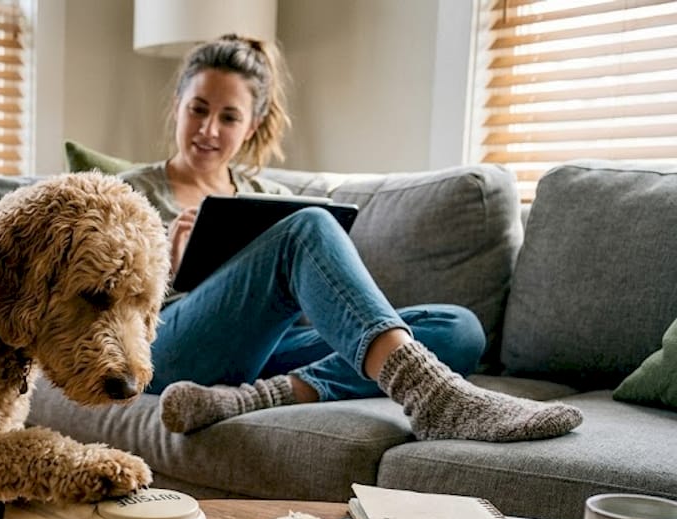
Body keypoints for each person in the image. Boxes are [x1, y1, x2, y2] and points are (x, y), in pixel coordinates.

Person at [118, 34, 582, 442]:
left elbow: (313, 306)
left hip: (272, 352)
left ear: (251, 126)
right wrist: (169, 271)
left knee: (458, 329)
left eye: (229, 117)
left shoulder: (272, 197)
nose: (208, 129)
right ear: (177, 105)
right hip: (167, 344)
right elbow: (105, 311)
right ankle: (432, 396)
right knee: (311, 225)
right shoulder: (131, 192)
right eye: (198, 109)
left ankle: (255, 398)